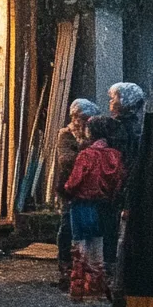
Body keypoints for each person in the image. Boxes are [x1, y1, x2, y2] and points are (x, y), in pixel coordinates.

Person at [63, 114, 126, 301]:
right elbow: (119, 180)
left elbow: (74, 182)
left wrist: (66, 191)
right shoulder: (115, 155)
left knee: (80, 247)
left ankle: (79, 289)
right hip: (104, 205)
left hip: (82, 204)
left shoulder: (86, 155)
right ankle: (96, 287)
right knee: (98, 247)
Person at [54, 97, 99, 291]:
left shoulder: (94, 134)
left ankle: (88, 270)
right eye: (77, 117)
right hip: (69, 187)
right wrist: (86, 153)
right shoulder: (66, 135)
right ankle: (66, 268)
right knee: (67, 226)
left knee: (89, 227)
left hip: (90, 188)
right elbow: (66, 159)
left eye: (83, 117)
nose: (79, 121)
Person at [108, 82, 146, 177]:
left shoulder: (119, 127)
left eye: (113, 98)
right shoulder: (135, 125)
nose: (110, 101)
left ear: (124, 101)